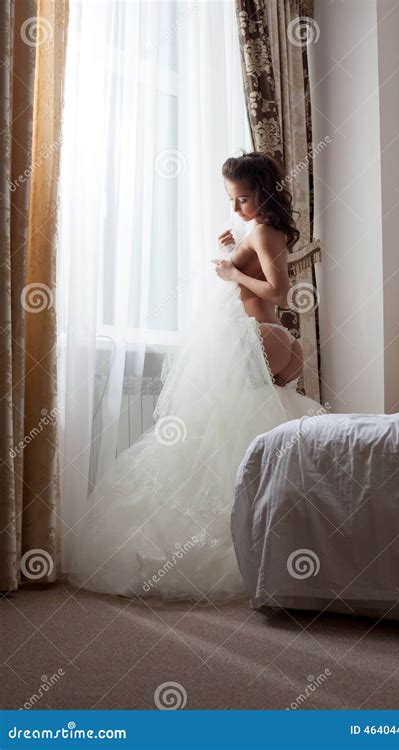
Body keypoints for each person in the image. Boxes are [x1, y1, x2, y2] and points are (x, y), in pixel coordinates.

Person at [68, 152, 325, 602]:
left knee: (219, 437)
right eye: (232, 199)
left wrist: (229, 271)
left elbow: (278, 292)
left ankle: (246, 542)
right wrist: (232, 252)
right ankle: (277, 540)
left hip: (260, 336)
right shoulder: (264, 229)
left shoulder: (264, 230)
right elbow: (259, 279)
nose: (237, 208)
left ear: (263, 193)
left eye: (243, 199)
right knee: (259, 432)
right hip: (280, 343)